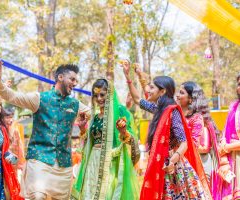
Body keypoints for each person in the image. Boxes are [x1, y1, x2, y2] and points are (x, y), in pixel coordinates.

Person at [0, 61, 90, 200]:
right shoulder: (39, 99)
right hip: (39, 160)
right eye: (72, 79)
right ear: (60, 77)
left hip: (64, 165)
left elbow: (96, 115)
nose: (75, 83)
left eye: (76, 80)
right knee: (37, 196)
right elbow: (13, 96)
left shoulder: (75, 104)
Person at [121, 62, 212, 199]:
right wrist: (128, 77)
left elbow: (184, 143)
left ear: (162, 92)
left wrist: (172, 161)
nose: (148, 90)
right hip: (160, 163)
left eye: (152, 87)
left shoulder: (172, 111)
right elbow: (137, 99)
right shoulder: (158, 109)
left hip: (172, 168)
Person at [71, 79, 140, 200]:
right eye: (96, 95)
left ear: (110, 94)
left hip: (110, 162)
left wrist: (123, 132)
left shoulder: (119, 111)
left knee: (107, 194)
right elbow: (89, 142)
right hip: (93, 162)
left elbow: (131, 139)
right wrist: (82, 129)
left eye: (102, 94)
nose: (99, 98)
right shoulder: (95, 117)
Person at [176, 81, 220, 199]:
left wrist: (178, 149)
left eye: (181, 93)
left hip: (198, 164)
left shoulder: (198, 119)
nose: (177, 95)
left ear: (191, 99)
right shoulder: (176, 116)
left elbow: (201, 146)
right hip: (179, 162)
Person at [218, 74, 240, 200]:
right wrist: (224, 160)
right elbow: (225, 132)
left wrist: (227, 147)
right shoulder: (233, 106)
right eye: (238, 84)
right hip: (232, 159)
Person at [3, 108, 26, 176]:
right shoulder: (0, 129)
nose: (10, 120)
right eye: (7, 117)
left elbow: (20, 147)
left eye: (11, 117)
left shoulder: (16, 130)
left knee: (13, 177)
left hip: (13, 160)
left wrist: (21, 163)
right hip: (2, 160)